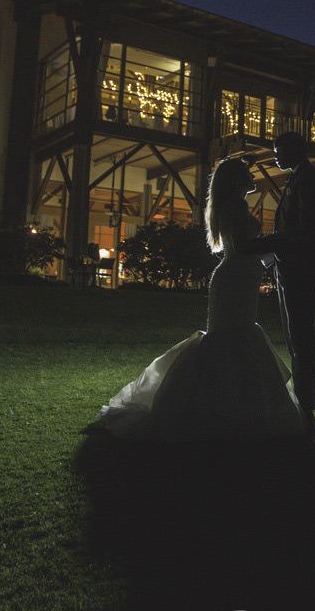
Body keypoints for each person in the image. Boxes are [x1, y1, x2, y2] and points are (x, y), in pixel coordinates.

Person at [95, 157, 304, 439]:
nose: (252, 176)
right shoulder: (237, 206)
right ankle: (227, 407)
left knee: (231, 334)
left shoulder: (231, 205)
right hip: (236, 277)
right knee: (232, 335)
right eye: (247, 172)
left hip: (239, 276)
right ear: (235, 179)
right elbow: (243, 245)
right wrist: (280, 239)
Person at [249, 131, 315, 428]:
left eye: (278, 151)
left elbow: (307, 227)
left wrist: (266, 243)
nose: (275, 157)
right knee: (295, 336)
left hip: (300, 266)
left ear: (295, 150)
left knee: (300, 336)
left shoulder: (309, 179)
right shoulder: (297, 177)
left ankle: (305, 406)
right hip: (290, 266)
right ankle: (302, 403)